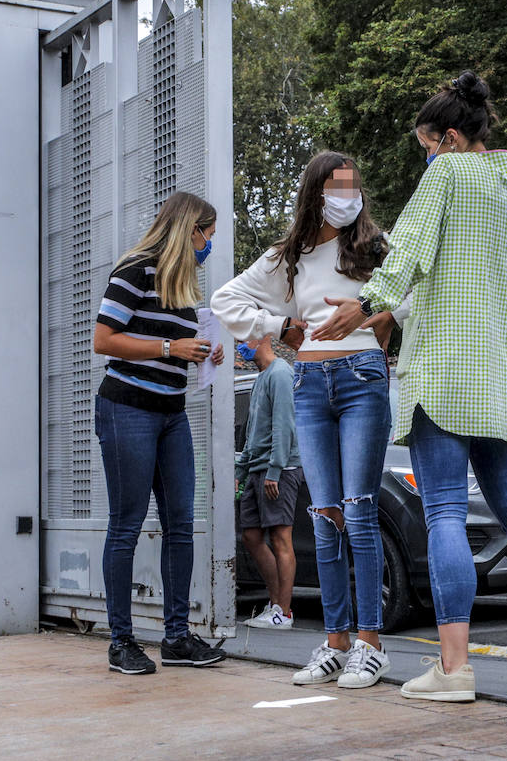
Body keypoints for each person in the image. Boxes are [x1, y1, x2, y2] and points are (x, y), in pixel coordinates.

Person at [313, 70, 507, 703]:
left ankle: (454, 667)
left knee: (442, 513)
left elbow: (404, 251)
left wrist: (366, 303)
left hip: (443, 373)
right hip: (501, 378)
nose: (426, 156)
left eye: (427, 144)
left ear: (453, 137)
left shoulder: (445, 176)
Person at [211, 152, 404, 690]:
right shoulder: (288, 258)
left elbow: (416, 294)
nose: (350, 195)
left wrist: (376, 313)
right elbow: (226, 299)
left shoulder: (375, 247)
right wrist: (278, 326)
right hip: (310, 382)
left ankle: (371, 643)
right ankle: (336, 642)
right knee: (324, 515)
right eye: (340, 185)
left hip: (364, 376)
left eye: (355, 184)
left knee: (360, 512)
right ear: (317, 192)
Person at [92, 190, 227, 675]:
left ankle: (176, 638)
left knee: (181, 525)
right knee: (127, 524)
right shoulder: (135, 269)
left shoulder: (183, 286)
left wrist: (202, 352)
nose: (208, 244)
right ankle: (121, 643)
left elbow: (174, 345)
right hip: (126, 407)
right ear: (189, 229)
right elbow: (104, 339)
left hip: (172, 413)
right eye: (207, 235)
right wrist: (172, 346)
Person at [237, 333, 302, 631]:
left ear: (261, 338)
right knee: (251, 536)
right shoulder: (261, 377)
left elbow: (284, 424)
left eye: (243, 337)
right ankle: (275, 604)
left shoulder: (280, 373)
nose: (240, 343)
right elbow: (253, 431)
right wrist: (241, 472)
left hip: (280, 469)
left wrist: (275, 470)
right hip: (256, 470)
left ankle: (283, 612)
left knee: (280, 538)